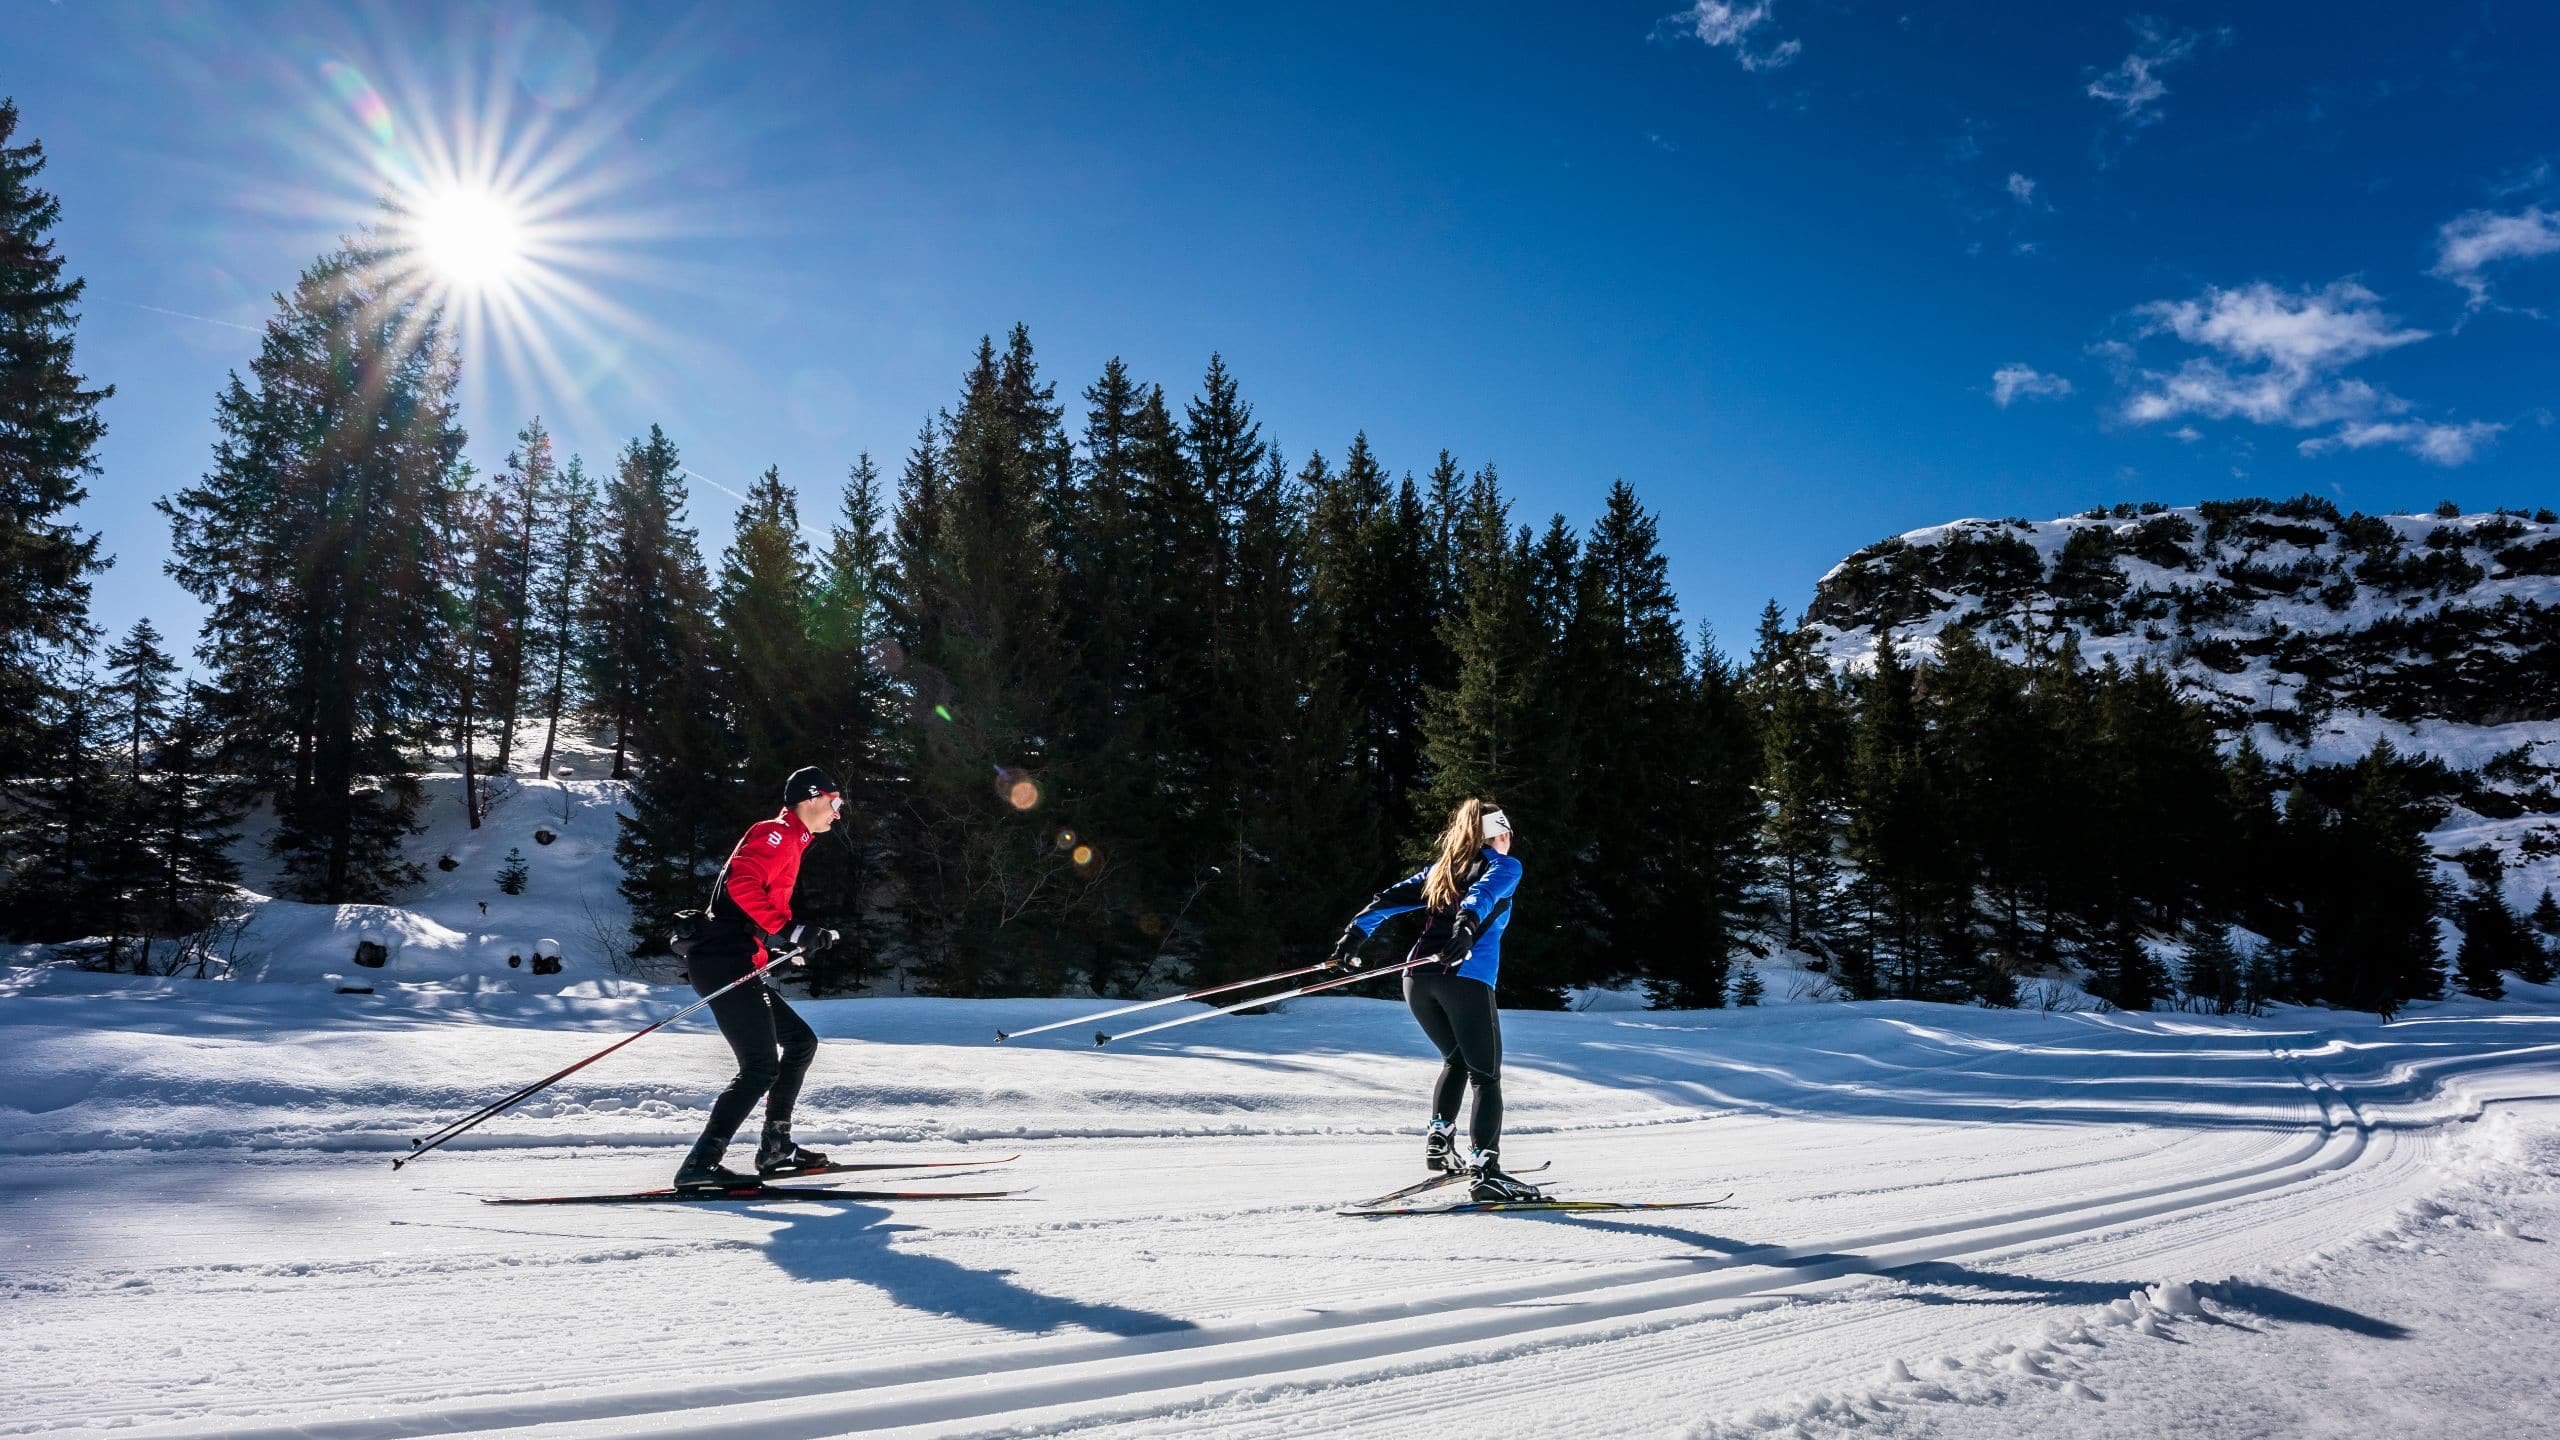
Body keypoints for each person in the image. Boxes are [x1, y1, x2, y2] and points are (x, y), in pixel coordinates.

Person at [1330, 797, 1532, 1201]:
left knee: (1456, 1059)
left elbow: (1385, 901)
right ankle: (1486, 1171)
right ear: (1496, 834)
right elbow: (1483, 898)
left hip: (1416, 980)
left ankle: (1440, 1144)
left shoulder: (1442, 870)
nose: (1510, 838)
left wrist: (1353, 937)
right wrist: (1466, 928)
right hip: (1464, 977)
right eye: (1505, 831)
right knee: (1486, 1076)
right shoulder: (1505, 865)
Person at [672, 765, 846, 1190]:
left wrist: (781, 947)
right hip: (721, 961)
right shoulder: (776, 833)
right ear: (811, 797)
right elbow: (741, 886)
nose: (838, 813)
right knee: (760, 1067)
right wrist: (792, 931)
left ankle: (776, 1147)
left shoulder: (793, 841)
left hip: (735, 958)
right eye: (835, 802)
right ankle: (699, 1166)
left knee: (801, 1042)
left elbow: (749, 912)